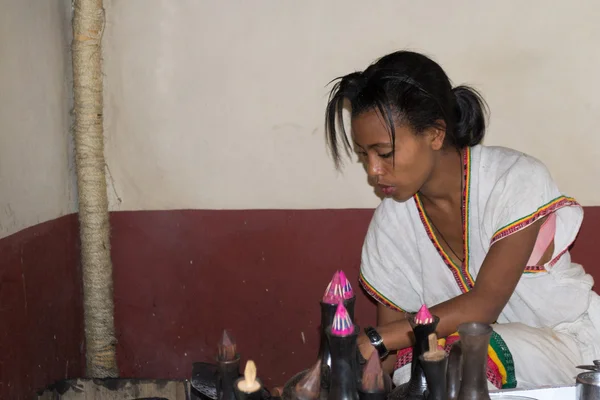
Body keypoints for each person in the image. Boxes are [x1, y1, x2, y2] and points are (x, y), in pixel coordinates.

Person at [324, 50, 600, 390]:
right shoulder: (391, 223)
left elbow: (483, 305)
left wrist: (378, 339)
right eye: (363, 156)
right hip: (466, 358)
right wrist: (360, 375)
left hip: (568, 348)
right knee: (422, 371)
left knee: (459, 356)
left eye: (384, 153)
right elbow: (394, 351)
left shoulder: (513, 180)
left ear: (436, 135)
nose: (373, 170)